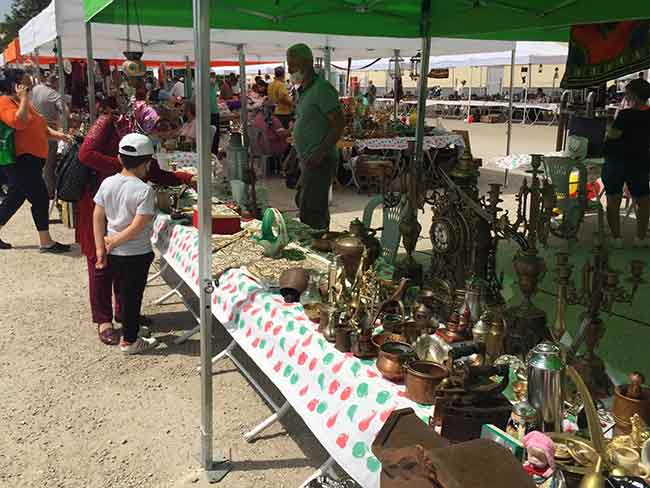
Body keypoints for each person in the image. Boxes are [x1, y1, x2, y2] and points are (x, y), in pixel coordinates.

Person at [77, 97, 194, 345]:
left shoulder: (137, 146)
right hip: (98, 198)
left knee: (124, 269)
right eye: (159, 130)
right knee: (99, 262)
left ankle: (125, 313)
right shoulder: (108, 122)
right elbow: (85, 154)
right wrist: (124, 169)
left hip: (119, 195)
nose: (162, 134)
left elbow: (151, 171)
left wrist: (182, 177)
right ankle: (104, 319)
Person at [93, 133, 158, 354]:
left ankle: (131, 330)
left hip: (114, 253)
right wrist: (114, 241)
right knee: (132, 296)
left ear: (119, 159)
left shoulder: (107, 182)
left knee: (122, 292)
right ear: (147, 163)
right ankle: (130, 341)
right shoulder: (144, 190)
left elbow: (98, 215)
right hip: (136, 253)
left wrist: (102, 247)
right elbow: (138, 226)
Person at [0, 73, 73, 251]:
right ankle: (46, 241)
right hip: (20, 160)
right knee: (40, 198)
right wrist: (24, 98)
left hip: (31, 161)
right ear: (15, 85)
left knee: (15, 198)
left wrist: (59, 135)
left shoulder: (22, 102)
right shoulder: (4, 102)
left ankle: (45, 241)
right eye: (26, 81)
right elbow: (19, 122)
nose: (30, 83)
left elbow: (39, 126)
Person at [284, 43, 344, 230]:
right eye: (289, 65)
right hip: (308, 160)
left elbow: (338, 124)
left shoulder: (322, 89)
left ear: (307, 63)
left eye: (293, 65)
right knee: (305, 202)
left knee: (310, 213)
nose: (290, 70)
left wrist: (319, 153)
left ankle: (319, 249)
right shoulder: (304, 91)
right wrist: (292, 155)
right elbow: (304, 125)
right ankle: (322, 240)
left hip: (320, 161)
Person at [602, 78, 650, 248]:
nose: (626, 96)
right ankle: (641, 237)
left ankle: (616, 239)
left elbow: (613, 135)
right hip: (640, 162)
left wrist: (608, 130)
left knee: (613, 200)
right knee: (644, 202)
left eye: (628, 93)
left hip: (617, 161)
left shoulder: (625, 114)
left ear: (635, 95)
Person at [31, 74, 68, 199]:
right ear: (56, 82)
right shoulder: (53, 94)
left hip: (33, 132)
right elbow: (65, 111)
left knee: (37, 164)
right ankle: (48, 192)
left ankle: (36, 190)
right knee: (48, 166)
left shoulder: (35, 89)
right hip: (49, 134)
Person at [209, 72, 220, 154]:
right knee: (212, 134)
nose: (213, 78)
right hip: (211, 112)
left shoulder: (213, 84)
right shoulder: (211, 84)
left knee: (215, 134)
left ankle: (214, 152)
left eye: (213, 76)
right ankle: (211, 151)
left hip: (213, 112)